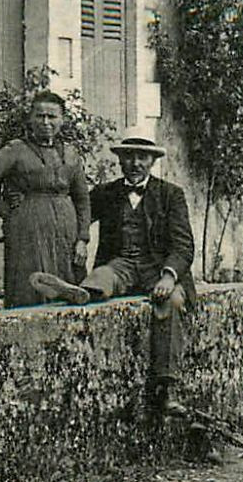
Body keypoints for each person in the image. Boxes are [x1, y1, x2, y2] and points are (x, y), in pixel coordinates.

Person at [31, 130, 196, 412]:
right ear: (120, 160)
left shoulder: (171, 195)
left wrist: (169, 276)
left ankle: (165, 388)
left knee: (171, 302)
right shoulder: (106, 193)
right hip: (121, 263)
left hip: (157, 268)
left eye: (141, 157)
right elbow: (79, 217)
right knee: (101, 278)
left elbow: (184, 245)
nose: (135, 163)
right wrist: (78, 239)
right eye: (129, 156)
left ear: (152, 162)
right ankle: (81, 292)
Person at [0, 90, 91, 307]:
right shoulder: (16, 150)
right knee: (28, 290)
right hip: (27, 232)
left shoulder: (72, 154)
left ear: (62, 120)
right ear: (30, 119)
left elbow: (82, 199)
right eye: (39, 116)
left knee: (70, 290)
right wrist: (6, 210)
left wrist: (82, 239)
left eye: (52, 117)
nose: (45, 122)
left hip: (66, 235)